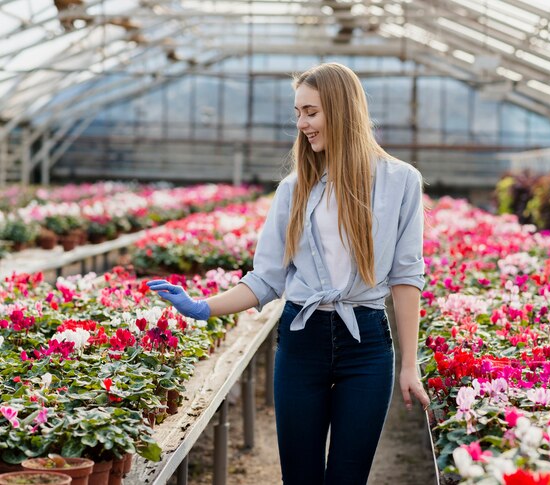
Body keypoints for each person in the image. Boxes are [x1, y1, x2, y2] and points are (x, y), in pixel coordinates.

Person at [147, 62, 430, 485]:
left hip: (367, 346)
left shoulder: (401, 181)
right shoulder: (293, 190)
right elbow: (266, 279)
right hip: (302, 341)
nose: (302, 124)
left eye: (311, 112)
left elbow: (407, 278)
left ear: (341, 109)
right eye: (298, 113)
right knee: (300, 478)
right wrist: (203, 308)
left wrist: (410, 365)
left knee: (348, 477)